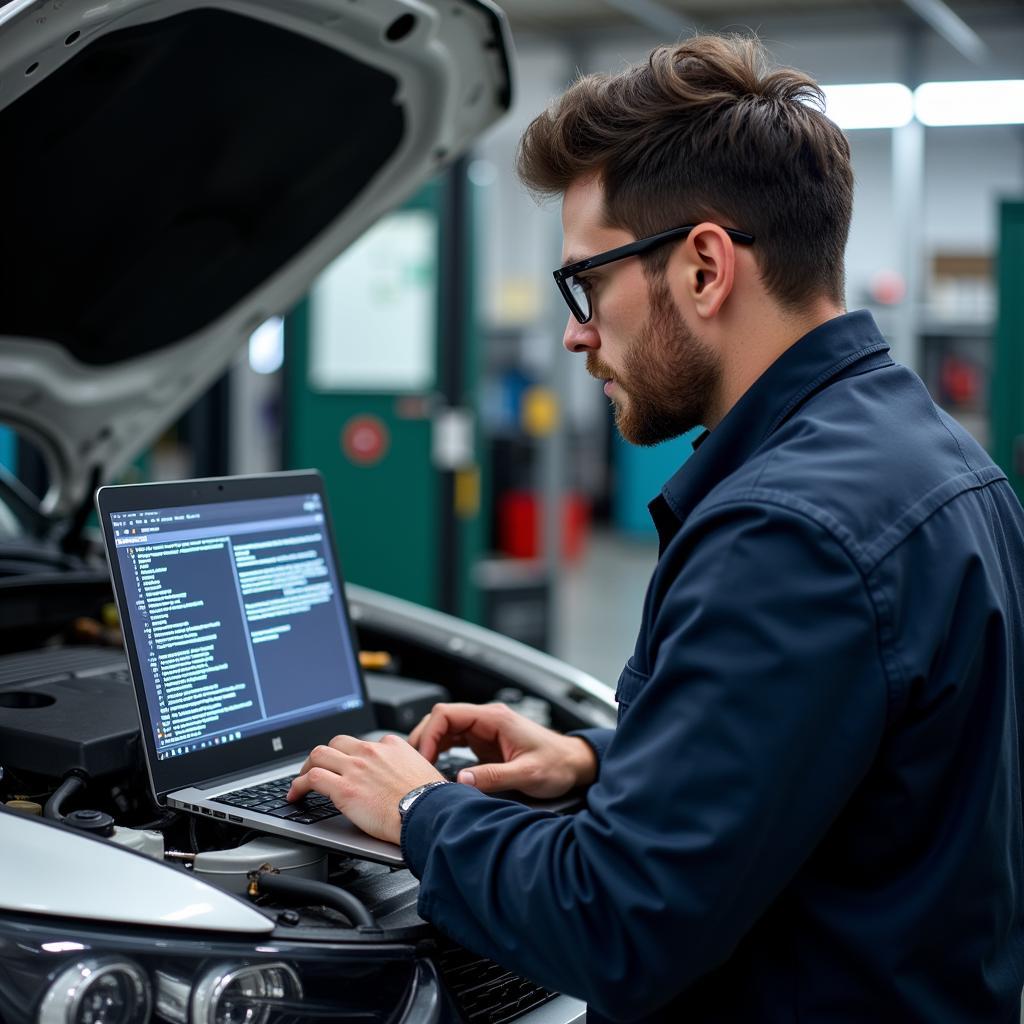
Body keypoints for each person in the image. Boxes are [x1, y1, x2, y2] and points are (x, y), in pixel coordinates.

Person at [288, 34, 1024, 1022]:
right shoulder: (934, 460)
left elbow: (615, 921)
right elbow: (850, 763)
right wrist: (603, 760)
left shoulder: (786, 533)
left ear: (704, 268)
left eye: (585, 283)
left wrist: (422, 807)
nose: (574, 332)